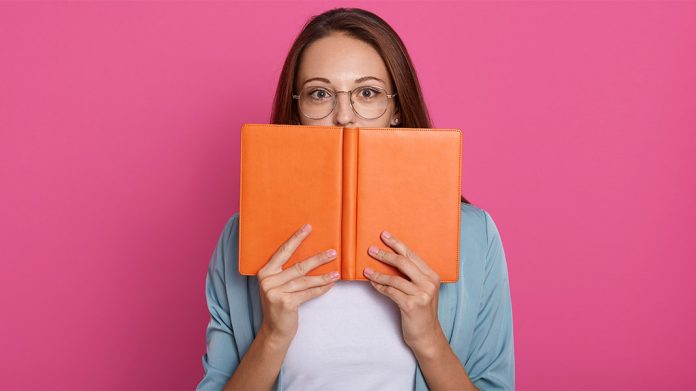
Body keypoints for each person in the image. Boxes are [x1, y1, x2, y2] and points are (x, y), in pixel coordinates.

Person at [197, 7, 514, 391]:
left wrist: (428, 338)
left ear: (396, 109)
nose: (344, 116)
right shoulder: (240, 239)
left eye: (368, 93)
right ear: (297, 112)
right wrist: (272, 337)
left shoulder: (474, 235)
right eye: (319, 94)